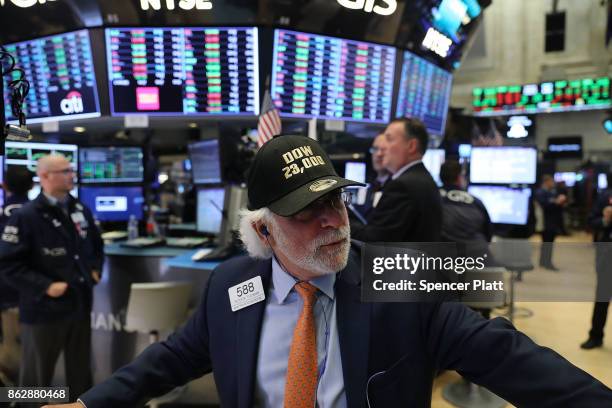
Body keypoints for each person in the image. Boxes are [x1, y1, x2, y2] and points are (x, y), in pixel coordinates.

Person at [47, 135, 612, 408]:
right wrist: (85, 404)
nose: (333, 221)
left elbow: (509, 358)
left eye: (336, 201)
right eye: (306, 211)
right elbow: (168, 361)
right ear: (264, 231)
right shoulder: (233, 286)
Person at [0, 154, 104, 404]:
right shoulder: (26, 215)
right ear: (45, 177)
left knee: (81, 375)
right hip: (43, 310)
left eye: (71, 170)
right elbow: (8, 263)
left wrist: (95, 269)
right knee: (35, 379)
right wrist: (45, 286)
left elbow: (96, 245)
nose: (72, 175)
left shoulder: (79, 208)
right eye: (65, 171)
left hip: (79, 304)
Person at [351, 117, 442, 243]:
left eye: (389, 139)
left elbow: (374, 241)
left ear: (411, 146)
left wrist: (342, 223)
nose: (383, 146)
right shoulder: (423, 178)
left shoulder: (403, 186)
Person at [0, 166, 34, 385]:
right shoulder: (40, 213)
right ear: (32, 186)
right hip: (37, 297)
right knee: (31, 359)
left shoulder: (3, 215)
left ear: (4, 186)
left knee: (11, 356)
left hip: (6, 296)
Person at [581, 173, 612, 350]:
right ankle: (595, 335)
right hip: (607, 254)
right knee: (602, 297)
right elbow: (591, 220)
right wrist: (605, 219)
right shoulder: (606, 196)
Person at [351, 133, 390, 220]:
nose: (378, 154)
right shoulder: (370, 185)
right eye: (375, 149)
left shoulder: (395, 187)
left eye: (384, 150)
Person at [535, 174, 567, 270]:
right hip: (546, 222)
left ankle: (544, 261)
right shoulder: (540, 192)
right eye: (551, 181)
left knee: (548, 243)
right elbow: (545, 204)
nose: (552, 183)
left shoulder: (550, 192)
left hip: (551, 222)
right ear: (546, 182)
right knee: (547, 243)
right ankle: (546, 262)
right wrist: (556, 202)